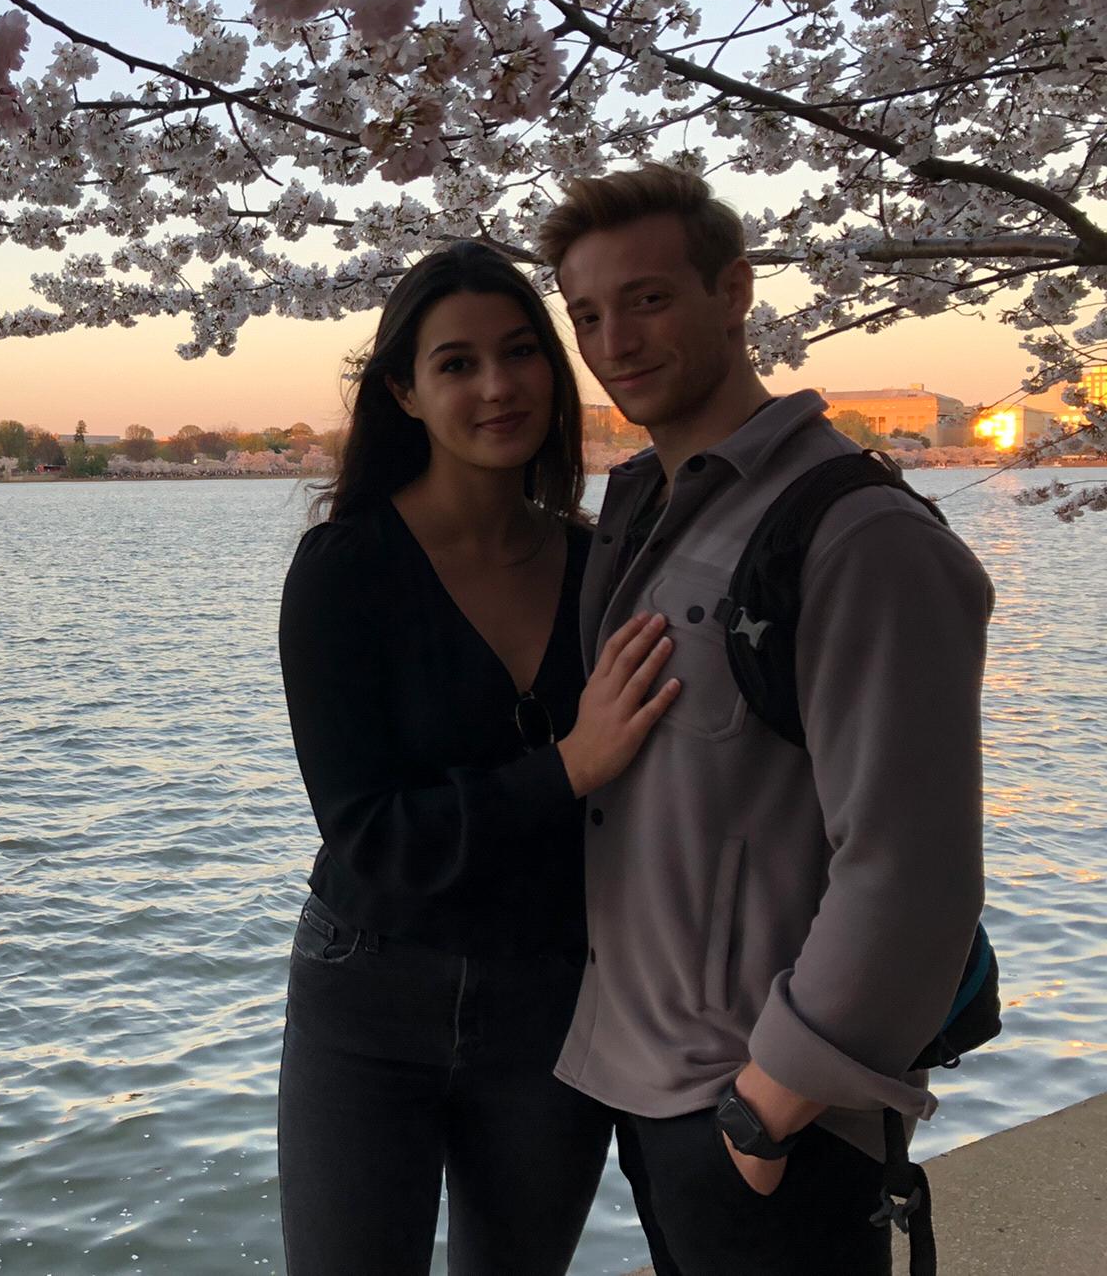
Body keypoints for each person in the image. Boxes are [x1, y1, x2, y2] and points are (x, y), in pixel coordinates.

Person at [541, 165, 992, 1276]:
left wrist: (764, 1106)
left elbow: (912, 865)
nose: (614, 343)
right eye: (586, 316)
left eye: (645, 299)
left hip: (760, 1110)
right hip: (639, 1081)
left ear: (733, 291)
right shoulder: (641, 503)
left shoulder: (853, 533)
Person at [276, 240, 681, 1275]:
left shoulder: (604, 569)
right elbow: (367, 836)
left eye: (518, 354)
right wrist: (565, 767)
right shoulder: (344, 570)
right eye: (455, 364)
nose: (496, 388)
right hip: (369, 993)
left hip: (552, 999)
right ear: (404, 394)